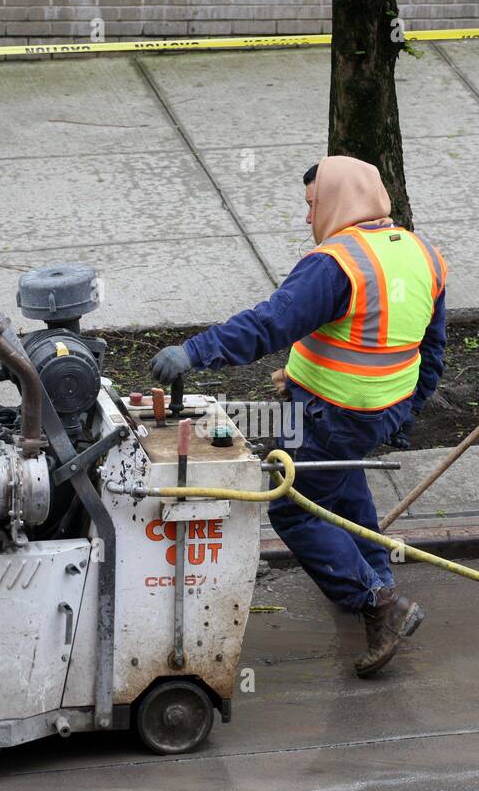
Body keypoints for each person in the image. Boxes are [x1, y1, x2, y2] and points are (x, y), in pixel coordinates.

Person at [150, 155, 447, 676]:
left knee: (292, 508)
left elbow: (269, 324)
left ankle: (377, 603)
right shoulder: (422, 252)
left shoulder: (336, 264)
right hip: (378, 413)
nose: (309, 219)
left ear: (338, 200)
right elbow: (433, 349)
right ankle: (375, 577)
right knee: (342, 487)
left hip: (329, 414)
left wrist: (193, 352)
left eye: (313, 205)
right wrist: (405, 416)